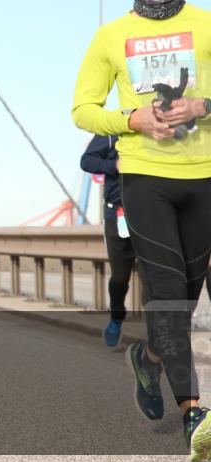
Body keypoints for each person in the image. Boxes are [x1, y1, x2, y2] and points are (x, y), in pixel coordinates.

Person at [72, 0, 211, 462]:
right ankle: (194, 413)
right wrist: (131, 119)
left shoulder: (205, 25)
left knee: (184, 302)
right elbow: (82, 108)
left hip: (202, 177)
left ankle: (149, 357)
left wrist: (202, 106)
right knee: (170, 295)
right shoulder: (111, 36)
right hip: (144, 177)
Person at [79, 134, 136, 347]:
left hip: (151, 214)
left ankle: (158, 331)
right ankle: (116, 317)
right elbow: (87, 161)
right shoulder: (112, 131)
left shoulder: (160, 127)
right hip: (117, 215)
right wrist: (115, 164)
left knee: (155, 276)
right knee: (120, 277)